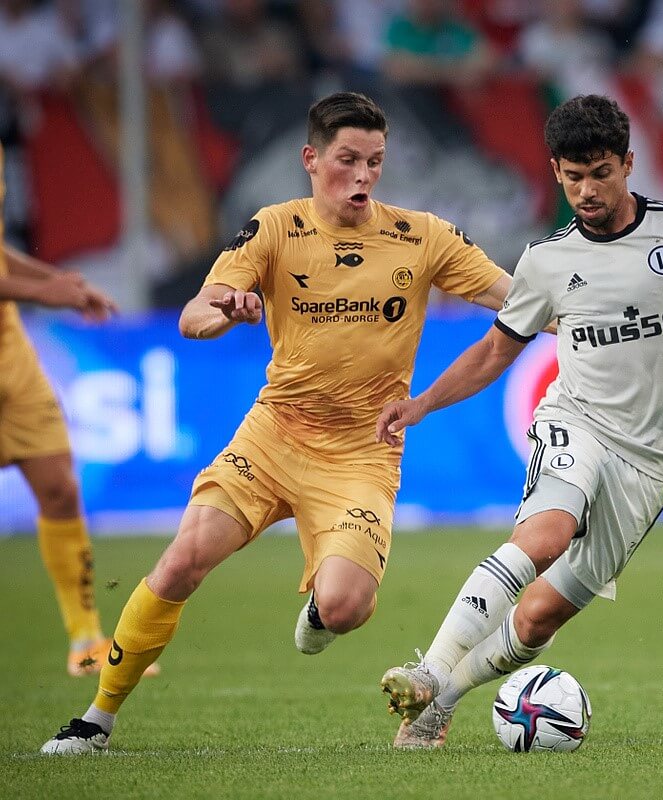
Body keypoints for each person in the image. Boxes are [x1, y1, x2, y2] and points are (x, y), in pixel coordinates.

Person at [40, 91, 515, 755]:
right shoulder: (273, 228)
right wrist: (227, 308)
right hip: (274, 435)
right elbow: (192, 315)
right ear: (311, 158)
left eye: (375, 162)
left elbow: (517, 298)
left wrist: (610, 313)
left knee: (347, 607)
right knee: (181, 562)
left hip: (360, 453)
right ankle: (96, 720)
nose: (362, 176)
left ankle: (324, 608)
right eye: (348, 159)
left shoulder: (423, 235)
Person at [372, 93, 663, 749]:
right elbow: (493, 352)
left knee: (537, 620)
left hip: (648, 463)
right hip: (576, 420)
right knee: (545, 535)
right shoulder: (546, 260)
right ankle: (427, 671)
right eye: (571, 175)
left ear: (627, 162)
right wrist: (421, 405)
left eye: (599, 172)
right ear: (556, 172)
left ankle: (439, 702)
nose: (585, 189)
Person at [0, 143, 127, 678]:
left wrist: (54, 280)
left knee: (60, 488)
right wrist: (43, 292)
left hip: (11, 355)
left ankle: (85, 639)